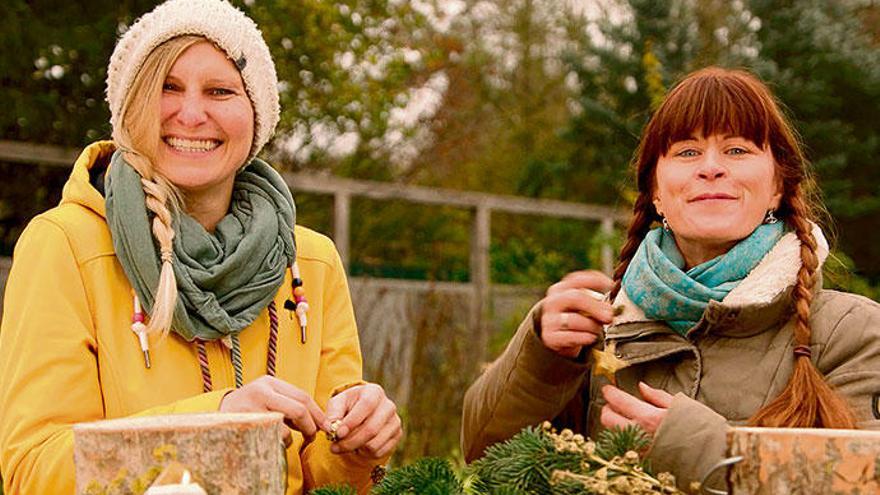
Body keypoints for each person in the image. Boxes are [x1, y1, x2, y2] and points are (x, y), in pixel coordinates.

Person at [0, 0, 401, 493]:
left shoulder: (311, 262)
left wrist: (357, 447)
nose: (190, 114)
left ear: (257, 114)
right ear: (130, 110)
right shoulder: (64, 245)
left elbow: (317, 477)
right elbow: (32, 471)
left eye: (220, 91)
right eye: (166, 87)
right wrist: (218, 419)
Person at [461, 67, 880, 490]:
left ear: (776, 187)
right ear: (656, 191)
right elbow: (488, 460)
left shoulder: (853, 333)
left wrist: (697, 448)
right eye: (687, 152)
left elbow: (865, 482)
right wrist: (542, 355)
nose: (711, 168)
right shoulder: (603, 327)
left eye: (737, 150)